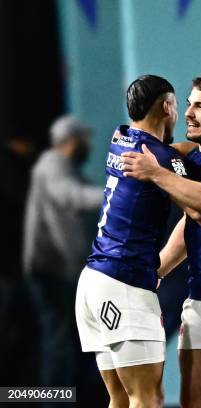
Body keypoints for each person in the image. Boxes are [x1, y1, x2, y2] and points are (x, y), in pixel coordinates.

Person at [76, 74, 201, 408]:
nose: (188, 113)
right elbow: (196, 213)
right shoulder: (170, 161)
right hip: (185, 295)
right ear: (167, 106)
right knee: (160, 400)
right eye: (187, 104)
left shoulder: (125, 139)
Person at [23, 115, 103, 388]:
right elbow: (70, 195)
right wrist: (116, 195)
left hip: (60, 270)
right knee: (59, 345)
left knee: (67, 342)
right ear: (71, 140)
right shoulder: (53, 164)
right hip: (52, 270)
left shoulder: (63, 166)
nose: (88, 145)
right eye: (84, 139)